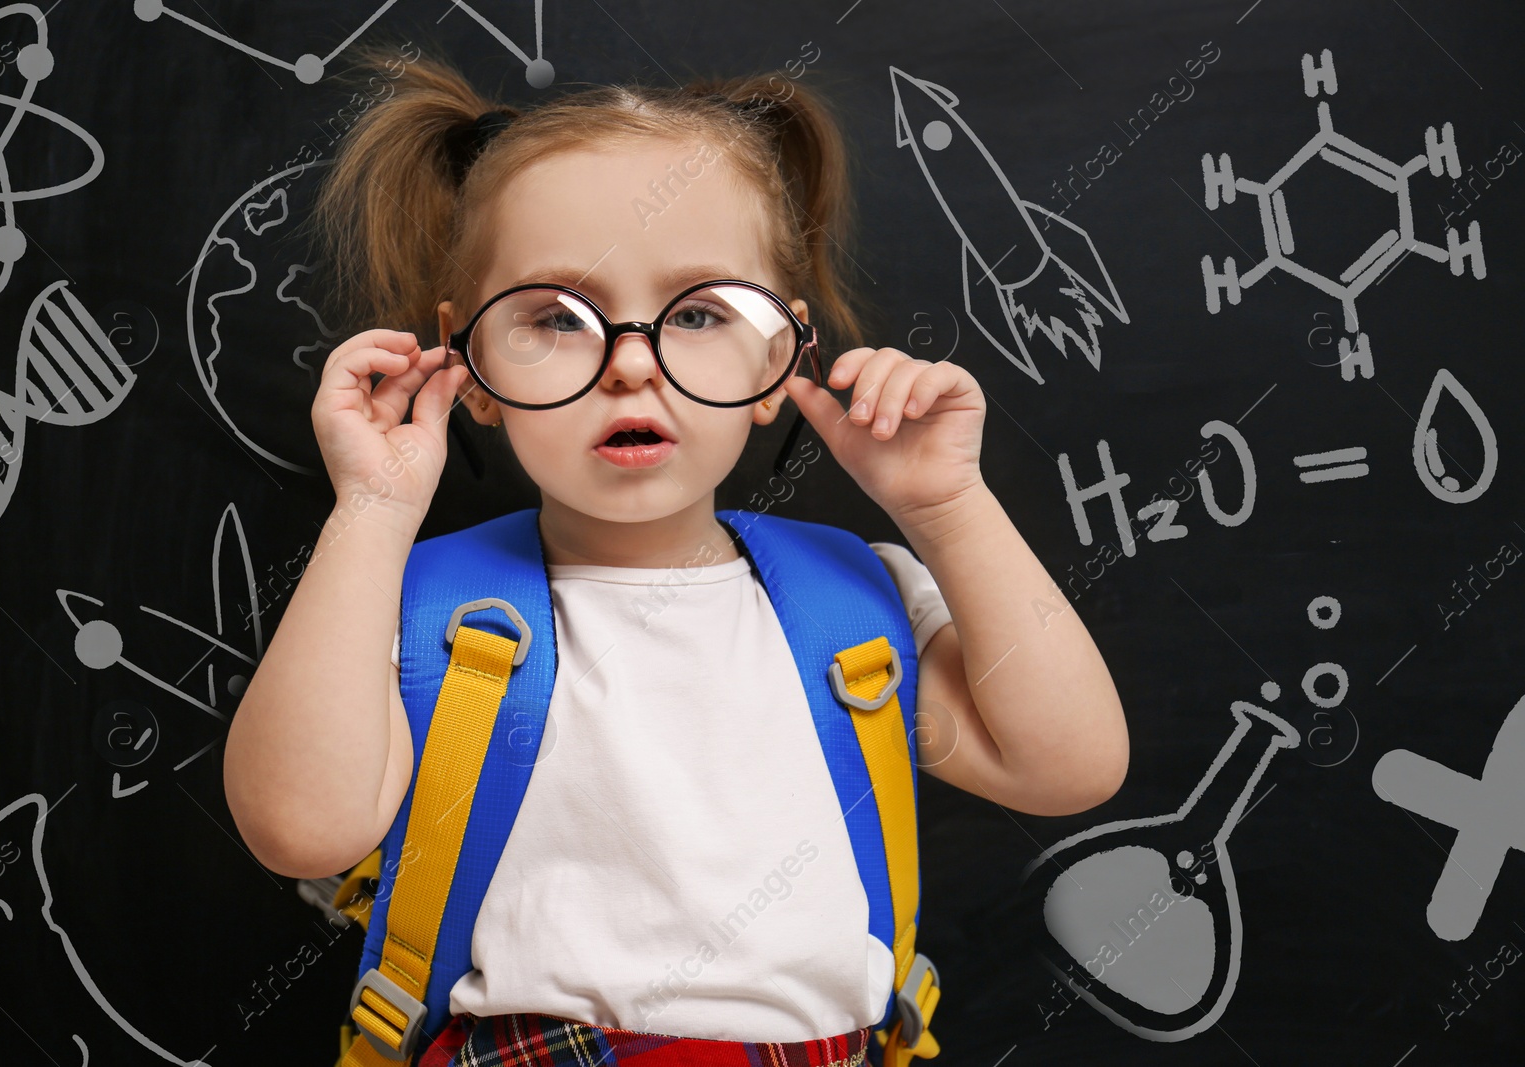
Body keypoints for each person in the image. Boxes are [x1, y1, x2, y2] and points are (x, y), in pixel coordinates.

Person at [223, 39, 1130, 1067]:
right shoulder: (415, 602)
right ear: (470, 360)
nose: (631, 364)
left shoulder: (855, 604)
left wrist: (951, 506)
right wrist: (372, 513)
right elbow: (298, 829)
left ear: (778, 354)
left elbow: (1072, 768)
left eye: (698, 312)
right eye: (556, 318)